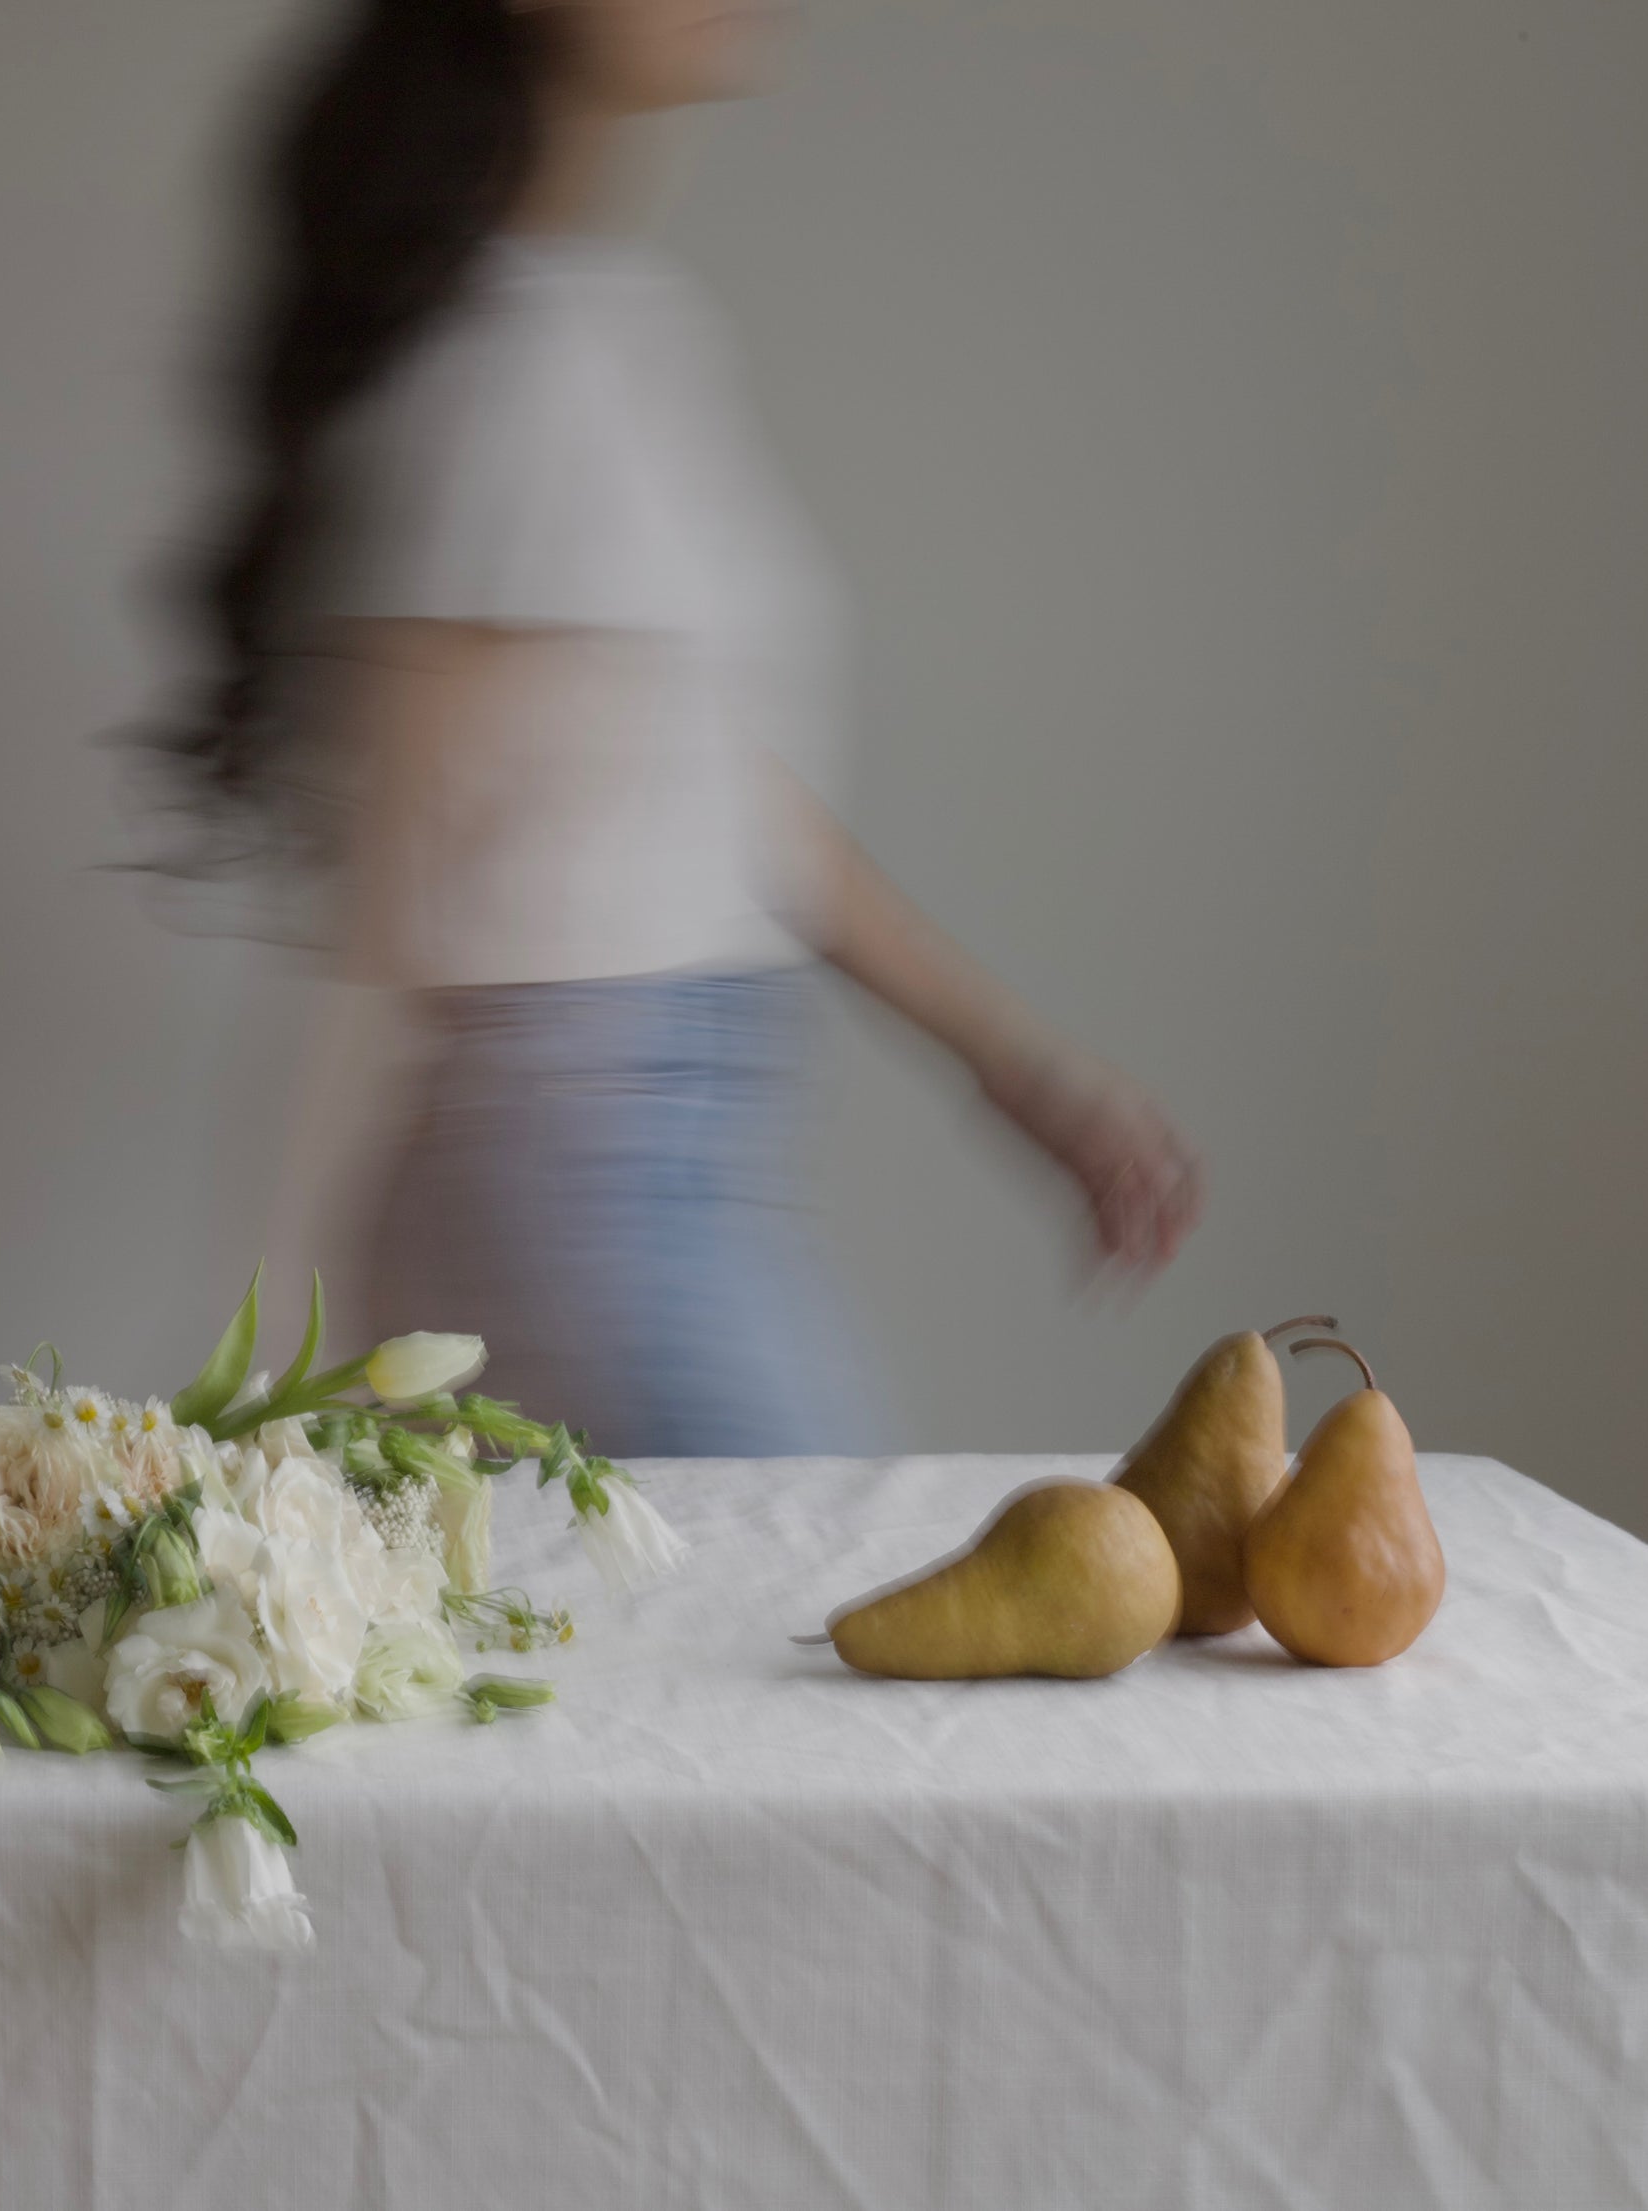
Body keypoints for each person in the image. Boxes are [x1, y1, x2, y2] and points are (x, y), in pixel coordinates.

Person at [149, 0, 1202, 1456]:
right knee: (810, 1638)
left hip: (655, 1156)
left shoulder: (609, 337)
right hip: (573, 1178)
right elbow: (377, 938)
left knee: (730, 1644)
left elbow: (721, 793)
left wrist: (1020, 1067)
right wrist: (255, 1368)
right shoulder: (505, 374)